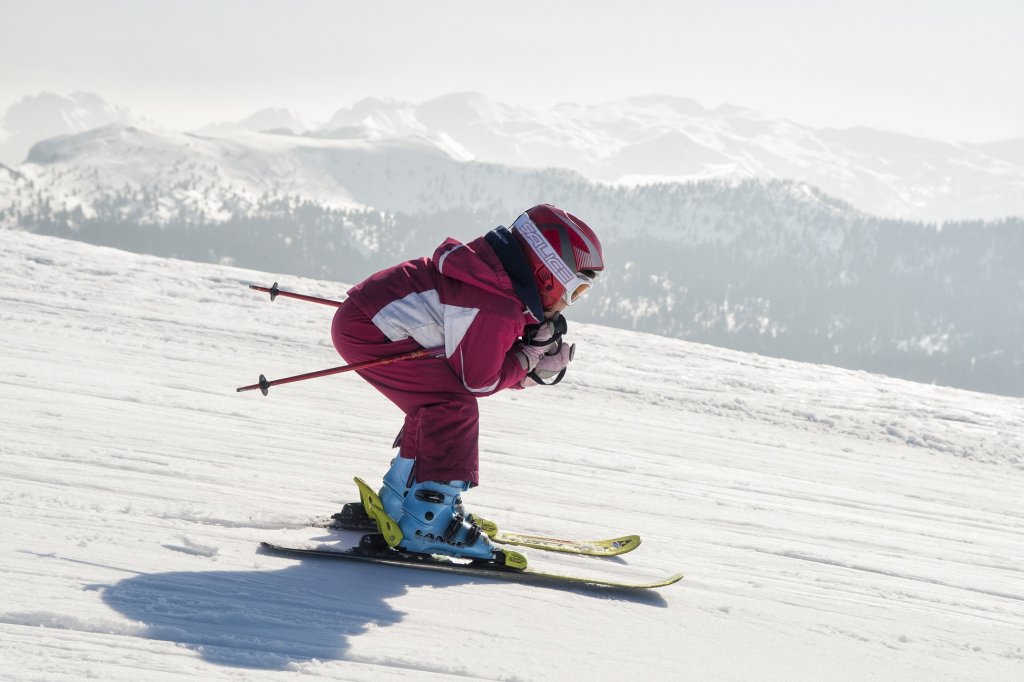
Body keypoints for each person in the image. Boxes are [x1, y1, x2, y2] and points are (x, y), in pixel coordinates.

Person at [331, 204, 604, 565]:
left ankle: (399, 499)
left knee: (436, 403)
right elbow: (479, 380)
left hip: (370, 321)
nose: (571, 304)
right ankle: (426, 523)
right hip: (371, 330)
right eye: (576, 291)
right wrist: (528, 359)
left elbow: (475, 362)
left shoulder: (495, 285)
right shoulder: (498, 304)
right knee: (451, 405)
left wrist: (527, 363)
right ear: (546, 273)